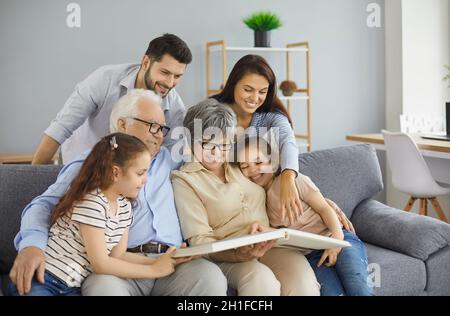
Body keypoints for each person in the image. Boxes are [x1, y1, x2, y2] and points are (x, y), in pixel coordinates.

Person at [10, 89, 227, 296]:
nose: (160, 136)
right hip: (120, 265)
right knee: (103, 287)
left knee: (210, 277)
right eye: (153, 126)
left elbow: (217, 160)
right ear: (123, 124)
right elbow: (44, 205)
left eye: (163, 129)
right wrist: (32, 245)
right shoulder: (94, 164)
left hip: (170, 259)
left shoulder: (171, 161)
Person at [171, 99, 320, 296]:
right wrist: (236, 254)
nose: (217, 154)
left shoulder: (240, 164)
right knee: (262, 282)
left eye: (224, 145)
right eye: (209, 146)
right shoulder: (184, 180)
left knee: (302, 281)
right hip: (227, 256)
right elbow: (199, 240)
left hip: (270, 243)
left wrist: (325, 205)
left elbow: (279, 183)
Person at [9, 133, 180, 295]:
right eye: (140, 173)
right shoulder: (93, 202)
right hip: (44, 278)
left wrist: (161, 261)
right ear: (115, 173)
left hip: (72, 287)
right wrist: (153, 270)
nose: (146, 180)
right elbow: (100, 263)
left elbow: (118, 255)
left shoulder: (124, 207)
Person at [238, 136, 373, 296]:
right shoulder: (260, 198)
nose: (252, 170)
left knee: (358, 289)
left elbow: (324, 208)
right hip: (312, 254)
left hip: (336, 237)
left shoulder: (292, 181)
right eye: (244, 166)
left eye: (258, 163)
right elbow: (282, 232)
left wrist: (337, 240)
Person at [32, 33, 192, 164]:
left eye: (177, 76)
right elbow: (61, 128)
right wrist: (33, 180)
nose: (170, 83)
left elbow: (173, 158)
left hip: (127, 175)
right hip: (80, 162)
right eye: (164, 72)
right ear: (145, 63)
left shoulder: (175, 108)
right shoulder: (104, 80)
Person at [212, 54, 303, 228]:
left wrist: (288, 176)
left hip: (254, 198)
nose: (255, 98)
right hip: (222, 193)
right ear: (233, 85)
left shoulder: (269, 115)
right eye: (248, 89)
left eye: (262, 92)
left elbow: (288, 142)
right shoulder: (215, 110)